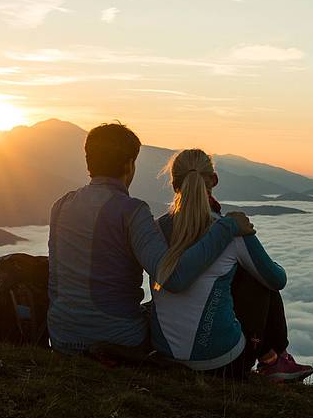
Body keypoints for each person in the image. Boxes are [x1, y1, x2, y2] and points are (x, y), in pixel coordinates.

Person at [47, 123, 255, 354]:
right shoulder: (131, 212)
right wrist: (226, 228)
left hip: (62, 338)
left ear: (88, 162)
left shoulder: (61, 205)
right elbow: (174, 279)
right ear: (129, 165)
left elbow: (55, 278)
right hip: (117, 340)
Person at [150, 149, 313, 382]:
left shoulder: (154, 231)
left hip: (165, 354)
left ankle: (272, 357)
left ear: (174, 184)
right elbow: (277, 280)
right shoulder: (233, 231)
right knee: (258, 278)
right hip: (222, 364)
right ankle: (275, 360)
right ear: (214, 180)